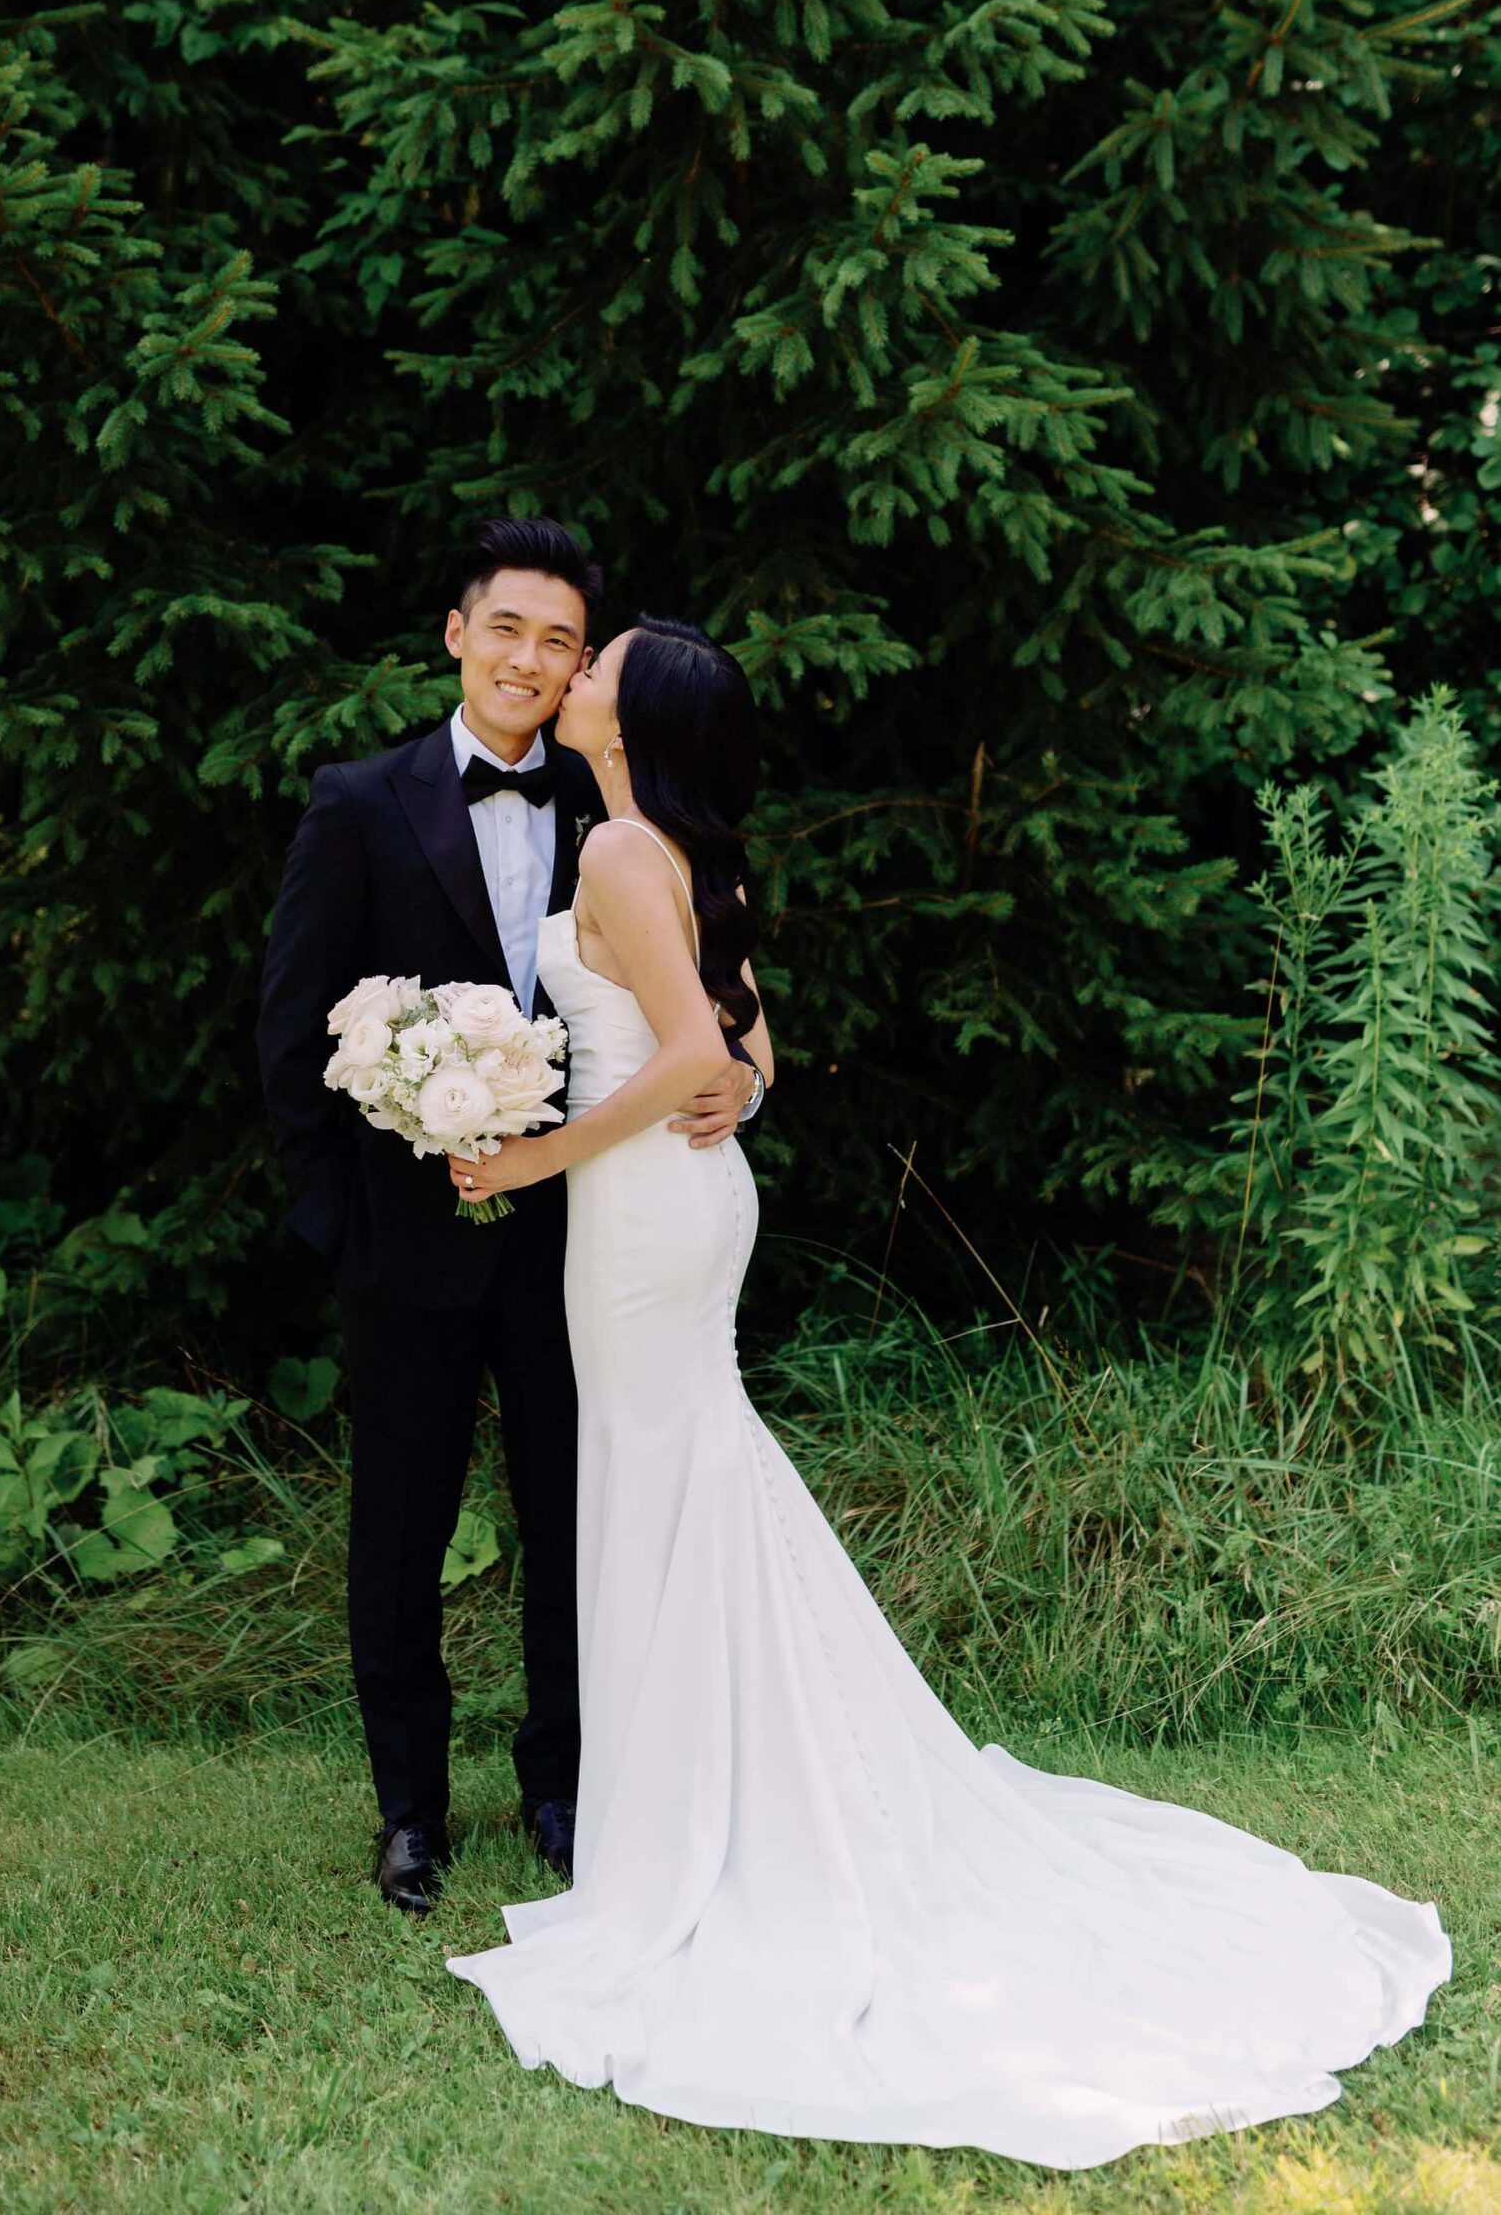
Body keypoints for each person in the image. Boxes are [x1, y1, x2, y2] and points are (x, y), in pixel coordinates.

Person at [441, 613, 1452, 2171]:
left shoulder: (626, 854)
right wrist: (736, 1089)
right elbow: (749, 1047)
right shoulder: (679, 854)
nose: (569, 677)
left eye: (597, 667)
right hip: (666, 1209)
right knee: (681, 1474)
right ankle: (685, 1812)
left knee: (670, 1473)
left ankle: (693, 1837)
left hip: (639, 1216)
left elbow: (699, 1044)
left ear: (634, 713)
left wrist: (523, 1156)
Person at [255, 522, 763, 1916]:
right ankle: (410, 1812)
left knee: (573, 1520)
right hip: (405, 1248)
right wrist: (340, 1227)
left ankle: (566, 1787)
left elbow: (704, 1003)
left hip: (586, 1237)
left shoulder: (620, 822)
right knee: (399, 1531)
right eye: (509, 629)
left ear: (581, 662)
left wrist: (743, 1088)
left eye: (562, 640)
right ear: (456, 633)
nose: (532, 660)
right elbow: (293, 1033)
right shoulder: (360, 803)